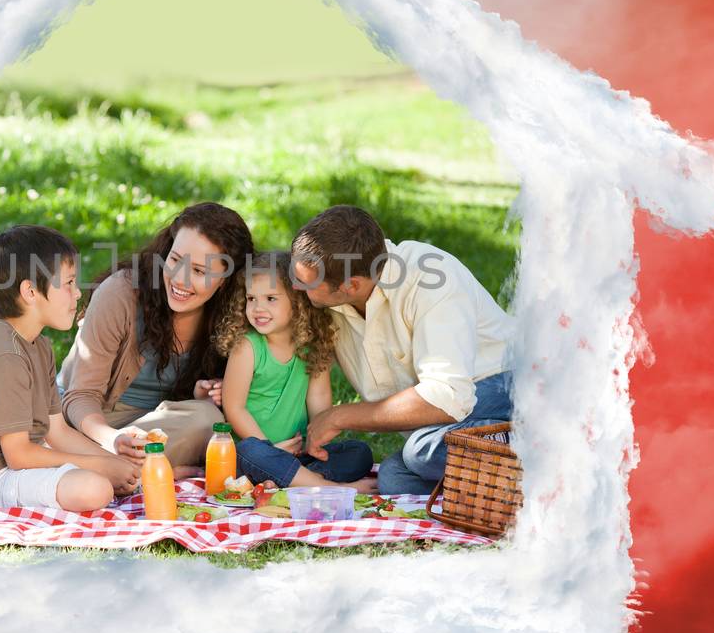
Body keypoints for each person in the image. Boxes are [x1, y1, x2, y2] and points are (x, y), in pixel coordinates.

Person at [290, 205, 514, 497]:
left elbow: (447, 396)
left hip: (504, 388)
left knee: (421, 451)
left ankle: (539, 443)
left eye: (305, 283)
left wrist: (339, 416)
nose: (295, 287)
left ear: (351, 285)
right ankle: (502, 482)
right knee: (396, 479)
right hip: (445, 423)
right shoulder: (330, 297)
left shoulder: (430, 278)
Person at [0, 225, 141, 511]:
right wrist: (100, 466)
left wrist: (112, 461)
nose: (77, 294)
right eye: (69, 283)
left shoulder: (39, 346)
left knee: (120, 472)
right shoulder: (3, 355)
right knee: (95, 488)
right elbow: (18, 456)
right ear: (30, 292)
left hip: (24, 460)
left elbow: (57, 431)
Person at [57, 202, 254, 475]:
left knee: (208, 419)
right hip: (89, 422)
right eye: (174, 260)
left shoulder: (238, 315)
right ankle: (147, 471)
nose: (179, 279)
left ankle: (106, 470)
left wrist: (220, 389)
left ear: (226, 279)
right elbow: (80, 395)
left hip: (158, 429)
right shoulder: (121, 293)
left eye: (199, 271)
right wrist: (111, 439)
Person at [212, 250, 375, 490]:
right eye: (251, 298)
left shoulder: (313, 345)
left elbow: (319, 400)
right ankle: (326, 486)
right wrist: (269, 447)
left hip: (297, 453)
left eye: (270, 298)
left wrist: (315, 442)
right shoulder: (247, 346)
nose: (257, 307)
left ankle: (296, 479)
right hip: (255, 454)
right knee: (249, 451)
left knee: (359, 453)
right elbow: (234, 407)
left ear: (297, 303)